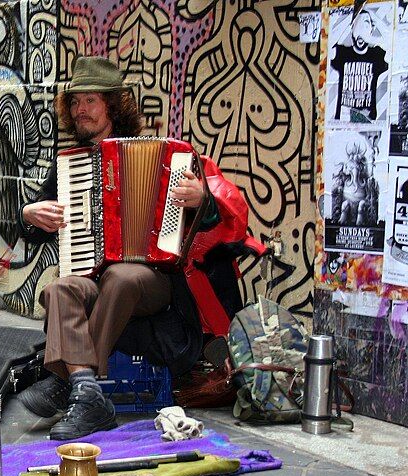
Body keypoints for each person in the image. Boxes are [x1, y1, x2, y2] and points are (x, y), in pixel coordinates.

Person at [16, 56, 264, 440]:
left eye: (91, 101)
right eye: (75, 101)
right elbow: (34, 234)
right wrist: (29, 214)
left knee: (123, 275)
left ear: (112, 105)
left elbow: (223, 223)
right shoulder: (67, 168)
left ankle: (67, 382)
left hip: (156, 283)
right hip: (94, 277)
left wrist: (202, 201)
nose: (80, 110)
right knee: (59, 288)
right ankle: (87, 390)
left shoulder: (167, 157)